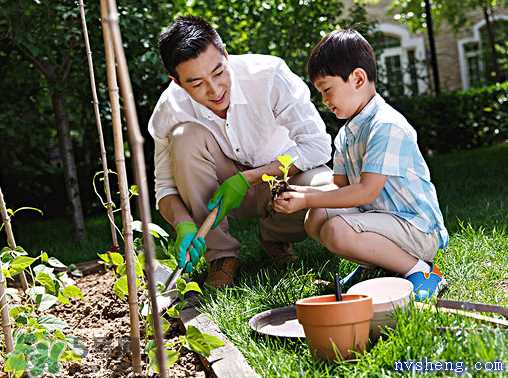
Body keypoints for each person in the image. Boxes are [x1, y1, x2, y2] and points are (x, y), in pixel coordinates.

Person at [148, 16, 333, 288]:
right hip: (217, 194)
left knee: (330, 194)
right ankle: (221, 257)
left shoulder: (269, 75)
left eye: (219, 72)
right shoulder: (170, 108)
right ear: (176, 82)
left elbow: (318, 145)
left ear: (225, 54)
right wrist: (183, 223)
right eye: (197, 84)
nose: (214, 90)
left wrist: (250, 178)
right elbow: (164, 188)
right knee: (184, 137)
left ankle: (275, 235)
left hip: (284, 181)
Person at [273, 29, 449, 301]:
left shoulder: (385, 125)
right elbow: (340, 190)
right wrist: (304, 198)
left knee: (336, 229)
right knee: (317, 218)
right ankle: (374, 265)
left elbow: (366, 192)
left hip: (416, 229)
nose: (325, 101)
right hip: (382, 220)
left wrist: (307, 197)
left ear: (357, 78)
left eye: (327, 90)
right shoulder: (346, 134)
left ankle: (422, 271)